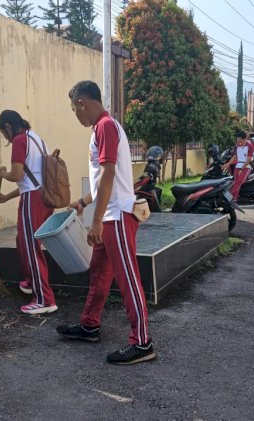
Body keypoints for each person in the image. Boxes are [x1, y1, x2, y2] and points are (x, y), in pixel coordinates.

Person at [56, 80, 155, 365]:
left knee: (128, 280)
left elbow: (109, 173)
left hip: (118, 217)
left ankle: (143, 342)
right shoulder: (101, 128)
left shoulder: (105, 126)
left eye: (74, 108)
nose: (75, 114)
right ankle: (89, 325)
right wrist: (84, 203)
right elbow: (102, 180)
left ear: (82, 103)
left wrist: (96, 221)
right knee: (99, 273)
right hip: (109, 215)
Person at [0, 110, 58, 315]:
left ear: (8, 127)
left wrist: (4, 173)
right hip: (43, 196)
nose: (6, 138)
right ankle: (32, 282)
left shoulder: (20, 141)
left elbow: (17, 174)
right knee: (24, 241)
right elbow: (30, 181)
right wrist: (6, 198)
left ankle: (44, 299)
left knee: (30, 247)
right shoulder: (37, 139)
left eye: (4, 134)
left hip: (33, 200)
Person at [222, 131, 254, 201]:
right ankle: (234, 199)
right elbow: (235, 156)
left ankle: (229, 196)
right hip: (237, 166)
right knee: (235, 182)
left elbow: (248, 159)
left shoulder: (249, 146)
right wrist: (228, 164)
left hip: (246, 167)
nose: (237, 139)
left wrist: (242, 169)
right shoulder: (237, 146)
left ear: (242, 138)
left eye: (238, 137)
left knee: (239, 182)